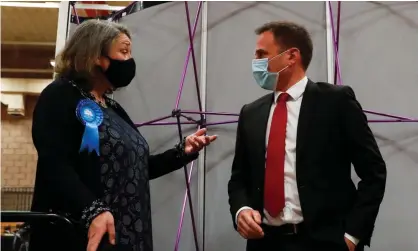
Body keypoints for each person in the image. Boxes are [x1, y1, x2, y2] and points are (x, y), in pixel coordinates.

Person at [30, 19, 217, 251]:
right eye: (124, 51)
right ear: (95, 54)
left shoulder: (112, 107)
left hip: (127, 233)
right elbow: (55, 163)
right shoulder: (59, 95)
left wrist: (181, 152)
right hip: (83, 232)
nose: (130, 60)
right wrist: (93, 209)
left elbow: (136, 168)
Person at [227, 21, 386, 251]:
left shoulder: (336, 102)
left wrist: (352, 236)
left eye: (263, 54)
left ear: (291, 56)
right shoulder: (250, 113)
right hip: (265, 243)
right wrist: (241, 210)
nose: (256, 63)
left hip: (324, 242)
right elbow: (239, 178)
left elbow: (374, 173)